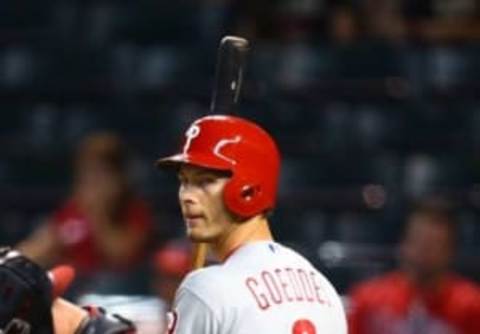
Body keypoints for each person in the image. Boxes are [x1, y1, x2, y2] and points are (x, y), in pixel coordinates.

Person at [2, 115, 347, 334]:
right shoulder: (322, 287)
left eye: (204, 182)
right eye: (184, 181)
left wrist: (80, 326)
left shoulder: (208, 287)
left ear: (249, 188)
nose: (186, 195)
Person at [18, 132, 153, 278]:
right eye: (85, 172)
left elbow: (120, 256)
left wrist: (97, 214)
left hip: (120, 292)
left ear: (119, 178)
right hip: (75, 290)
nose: (90, 181)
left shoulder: (135, 210)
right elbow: (40, 245)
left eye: (99, 173)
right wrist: (13, 262)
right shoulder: (73, 209)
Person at [347, 199, 480, 334]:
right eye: (419, 241)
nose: (425, 252)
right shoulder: (368, 300)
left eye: (435, 244)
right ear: (403, 243)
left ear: (450, 250)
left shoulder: (471, 305)